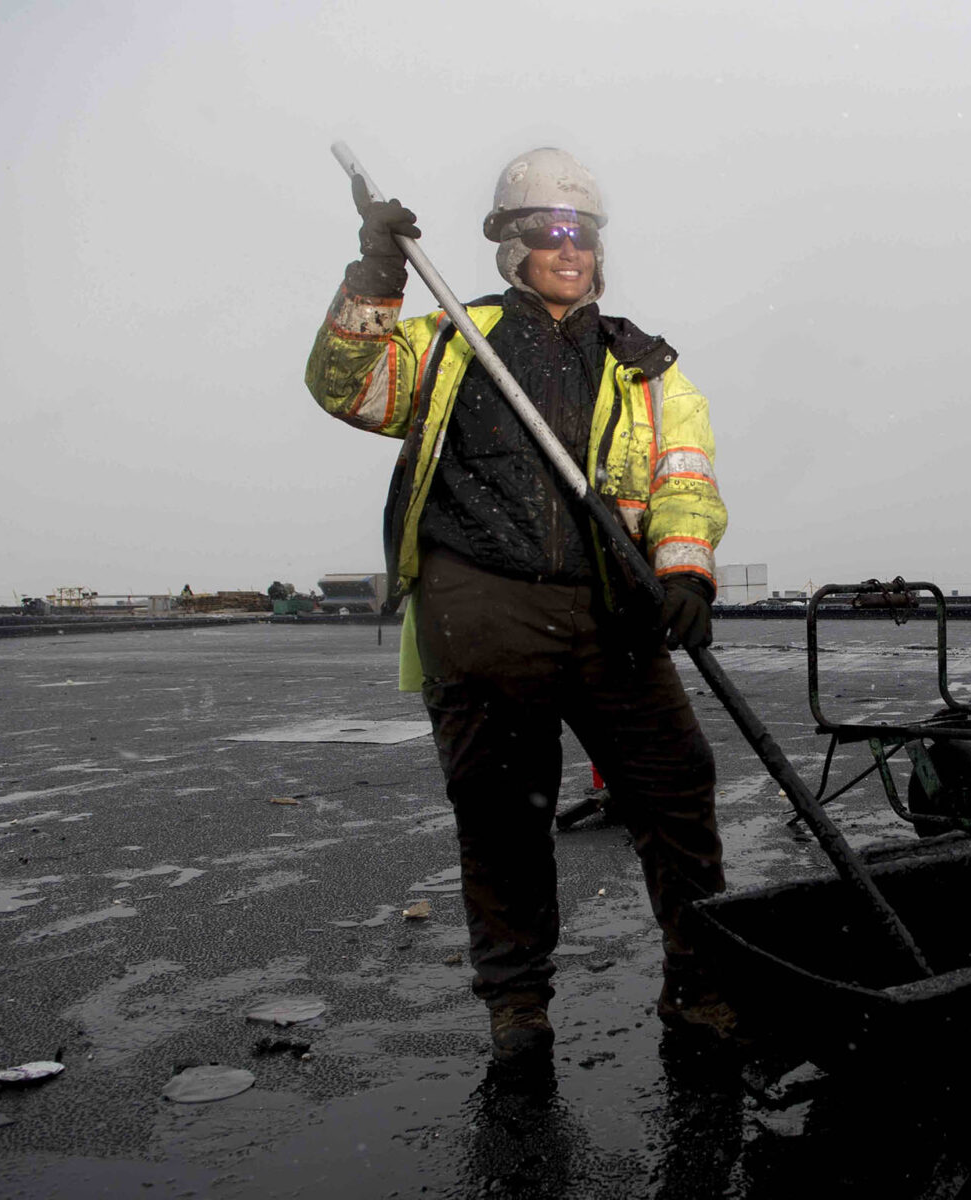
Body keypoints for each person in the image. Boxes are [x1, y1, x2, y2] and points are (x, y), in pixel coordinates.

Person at [305, 147, 732, 1065]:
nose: (568, 248)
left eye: (582, 234)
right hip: (482, 610)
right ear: (512, 247)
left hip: (611, 614)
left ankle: (700, 987)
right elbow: (348, 386)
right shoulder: (452, 343)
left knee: (677, 792)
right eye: (547, 233)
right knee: (502, 820)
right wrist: (375, 276)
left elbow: (683, 478)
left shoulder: (644, 365)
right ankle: (517, 1011)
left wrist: (687, 572)